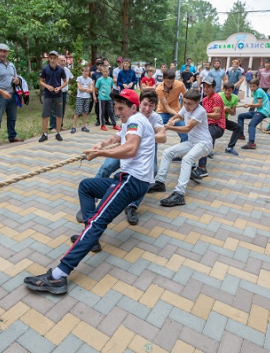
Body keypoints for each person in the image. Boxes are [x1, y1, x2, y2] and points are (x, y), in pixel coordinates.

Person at [23, 89, 154, 295]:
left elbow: (130, 149)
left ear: (133, 107)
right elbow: (118, 136)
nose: (118, 112)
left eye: (121, 108)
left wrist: (100, 153)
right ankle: (91, 238)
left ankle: (58, 276)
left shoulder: (136, 120)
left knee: (97, 222)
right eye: (116, 108)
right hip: (129, 179)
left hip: (132, 181)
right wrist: (102, 143)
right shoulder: (132, 121)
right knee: (87, 186)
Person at [80, 89, 166, 225]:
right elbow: (118, 136)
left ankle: (132, 206)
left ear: (155, 106)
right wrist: (102, 144)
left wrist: (144, 137)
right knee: (107, 166)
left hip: (142, 153)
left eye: (151, 105)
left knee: (152, 172)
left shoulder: (155, 117)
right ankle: (94, 198)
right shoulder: (129, 114)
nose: (147, 108)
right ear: (137, 104)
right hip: (127, 149)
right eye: (144, 104)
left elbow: (163, 136)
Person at [148, 89, 212, 207]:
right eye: (185, 102)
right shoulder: (186, 107)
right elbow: (178, 115)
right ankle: (160, 182)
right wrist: (172, 120)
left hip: (204, 143)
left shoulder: (200, 111)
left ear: (197, 103)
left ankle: (179, 194)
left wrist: (168, 128)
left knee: (187, 159)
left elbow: (187, 128)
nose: (186, 106)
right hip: (192, 142)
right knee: (168, 152)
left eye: (189, 104)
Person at [0, 43, 23, 148]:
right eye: (1, 51)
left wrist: (17, 80)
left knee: (12, 117)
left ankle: (12, 136)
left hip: (12, 94)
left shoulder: (11, 64)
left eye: (5, 51)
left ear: (8, 53)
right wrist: (2, 92)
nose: (3, 53)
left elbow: (16, 78)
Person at [192, 77, 225, 179]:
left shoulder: (216, 97)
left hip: (217, 126)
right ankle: (191, 161)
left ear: (214, 88)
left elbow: (217, 115)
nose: (205, 89)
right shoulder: (205, 99)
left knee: (204, 139)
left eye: (208, 87)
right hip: (208, 125)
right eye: (204, 87)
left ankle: (202, 168)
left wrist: (204, 114)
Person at [39, 51, 67, 142]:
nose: (53, 60)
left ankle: (58, 133)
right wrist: (47, 86)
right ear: (49, 59)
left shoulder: (61, 69)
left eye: (54, 58)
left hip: (58, 94)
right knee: (45, 115)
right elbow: (41, 81)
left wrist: (60, 87)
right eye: (51, 58)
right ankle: (44, 134)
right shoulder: (45, 69)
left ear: (57, 59)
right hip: (48, 95)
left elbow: (66, 81)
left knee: (59, 115)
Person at [156, 69, 188, 142]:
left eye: (172, 81)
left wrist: (183, 110)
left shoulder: (180, 85)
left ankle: (183, 150)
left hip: (176, 110)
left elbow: (186, 98)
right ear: (163, 79)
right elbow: (166, 107)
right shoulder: (159, 89)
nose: (170, 84)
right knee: (153, 131)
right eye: (168, 82)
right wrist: (179, 115)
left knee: (186, 133)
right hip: (162, 112)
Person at [237, 79, 269, 150]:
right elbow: (254, 103)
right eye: (250, 86)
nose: (252, 88)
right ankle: (241, 135)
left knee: (252, 125)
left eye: (253, 86)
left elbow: (260, 104)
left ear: (257, 86)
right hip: (258, 111)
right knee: (240, 116)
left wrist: (249, 105)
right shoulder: (255, 92)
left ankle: (251, 143)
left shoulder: (259, 91)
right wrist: (250, 107)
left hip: (263, 111)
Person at [218, 82, 243, 156]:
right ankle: (209, 150)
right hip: (215, 119)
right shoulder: (219, 96)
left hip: (224, 120)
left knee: (238, 127)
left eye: (229, 90)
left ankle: (230, 148)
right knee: (214, 131)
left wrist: (228, 109)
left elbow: (233, 113)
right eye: (225, 90)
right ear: (223, 89)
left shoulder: (235, 98)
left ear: (232, 90)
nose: (227, 92)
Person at [50, 55, 73, 131]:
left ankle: (60, 125)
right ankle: (53, 126)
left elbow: (71, 78)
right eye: (61, 60)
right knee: (54, 109)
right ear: (57, 60)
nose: (63, 62)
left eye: (64, 60)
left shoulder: (67, 70)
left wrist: (66, 85)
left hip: (63, 92)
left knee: (62, 109)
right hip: (55, 92)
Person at [71, 65, 93, 133]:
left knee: (85, 112)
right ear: (82, 71)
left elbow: (91, 89)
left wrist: (87, 89)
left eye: (87, 71)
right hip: (80, 97)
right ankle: (74, 126)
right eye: (85, 71)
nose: (86, 73)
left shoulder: (90, 79)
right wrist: (87, 89)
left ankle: (84, 126)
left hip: (87, 98)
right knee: (78, 111)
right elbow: (80, 88)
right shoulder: (79, 78)